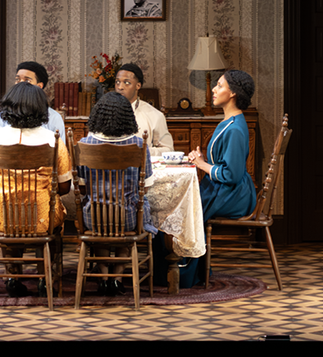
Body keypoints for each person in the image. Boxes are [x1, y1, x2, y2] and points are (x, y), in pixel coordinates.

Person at [0, 81, 65, 296]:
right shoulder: (53, 140)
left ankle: (12, 276)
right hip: (42, 220)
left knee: (9, 216)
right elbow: (64, 186)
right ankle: (45, 276)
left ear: (7, 107)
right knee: (50, 216)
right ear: (41, 109)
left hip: (2, 219)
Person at [179, 68, 257, 287]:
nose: (214, 89)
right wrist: (202, 160)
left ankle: (184, 273)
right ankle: (186, 268)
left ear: (233, 93)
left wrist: (201, 164)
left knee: (186, 210)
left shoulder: (235, 129)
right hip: (223, 188)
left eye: (220, 85)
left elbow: (231, 174)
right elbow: (223, 164)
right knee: (185, 205)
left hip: (233, 194)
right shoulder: (229, 122)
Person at [78, 88, 150, 294]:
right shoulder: (138, 144)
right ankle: (117, 278)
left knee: (101, 227)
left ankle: (103, 277)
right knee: (127, 221)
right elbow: (146, 185)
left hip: (93, 217)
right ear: (128, 117)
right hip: (127, 217)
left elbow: (81, 185)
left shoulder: (84, 144)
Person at [110, 62, 172, 151]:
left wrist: (142, 152)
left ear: (138, 86)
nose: (120, 87)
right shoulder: (104, 112)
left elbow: (168, 149)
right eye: (117, 82)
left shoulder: (155, 116)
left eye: (126, 82)